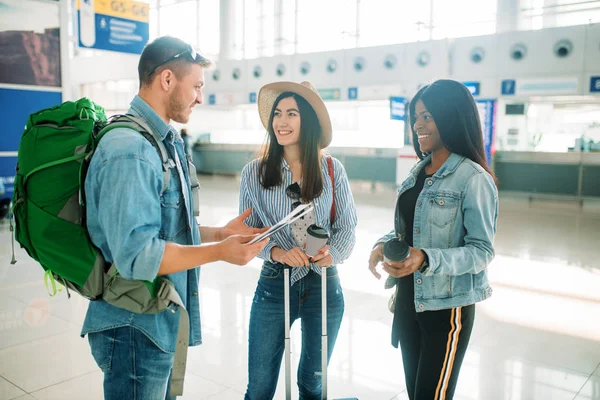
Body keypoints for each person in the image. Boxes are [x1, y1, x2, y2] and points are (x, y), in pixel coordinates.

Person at [82, 36, 269, 400]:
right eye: (196, 86)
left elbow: (164, 227)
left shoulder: (162, 141)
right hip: (132, 329)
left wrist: (219, 233)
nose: (200, 97)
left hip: (157, 317)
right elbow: (138, 255)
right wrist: (220, 252)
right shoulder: (131, 151)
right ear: (167, 79)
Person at [368, 79, 498, 400]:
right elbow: (409, 230)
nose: (418, 125)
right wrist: (382, 244)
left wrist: (425, 258)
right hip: (410, 302)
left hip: (446, 309)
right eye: (416, 116)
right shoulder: (417, 173)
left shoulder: (473, 178)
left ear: (452, 116)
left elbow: (481, 251)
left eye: (428, 116)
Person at [240, 81, 358, 400]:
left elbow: (347, 226)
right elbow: (248, 232)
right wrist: (276, 252)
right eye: (278, 113)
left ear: (308, 121)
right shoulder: (254, 173)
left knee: (311, 383)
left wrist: (333, 254)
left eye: (292, 113)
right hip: (275, 284)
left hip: (323, 283)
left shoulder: (332, 169)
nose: (282, 121)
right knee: (260, 386)